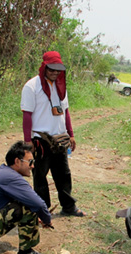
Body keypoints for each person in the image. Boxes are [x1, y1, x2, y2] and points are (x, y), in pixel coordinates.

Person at [21, 51, 85, 217]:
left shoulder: (61, 87)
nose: (55, 73)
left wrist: (70, 134)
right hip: (40, 140)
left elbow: (66, 112)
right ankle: (43, 210)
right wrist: (28, 141)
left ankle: (68, 207)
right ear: (44, 67)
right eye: (52, 69)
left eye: (58, 70)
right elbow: (27, 115)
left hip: (60, 139)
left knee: (63, 174)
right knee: (40, 177)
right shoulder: (32, 87)